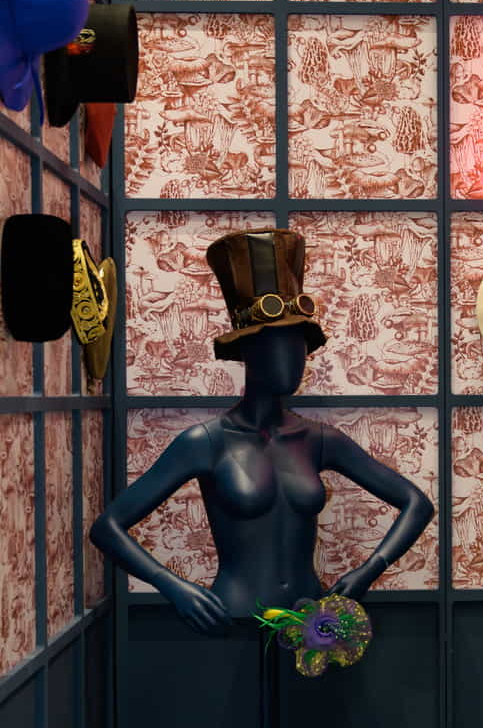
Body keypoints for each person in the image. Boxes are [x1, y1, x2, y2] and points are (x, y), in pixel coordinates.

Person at [91, 229, 434, 633]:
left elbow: (416, 503)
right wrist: (172, 585)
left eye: (299, 345)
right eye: (277, 344)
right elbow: (107, 528)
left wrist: (369, 569)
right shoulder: (206, 443)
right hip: (231, 619)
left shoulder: (318, 440)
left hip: (309, 621)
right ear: (247, 351)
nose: (293, 359)